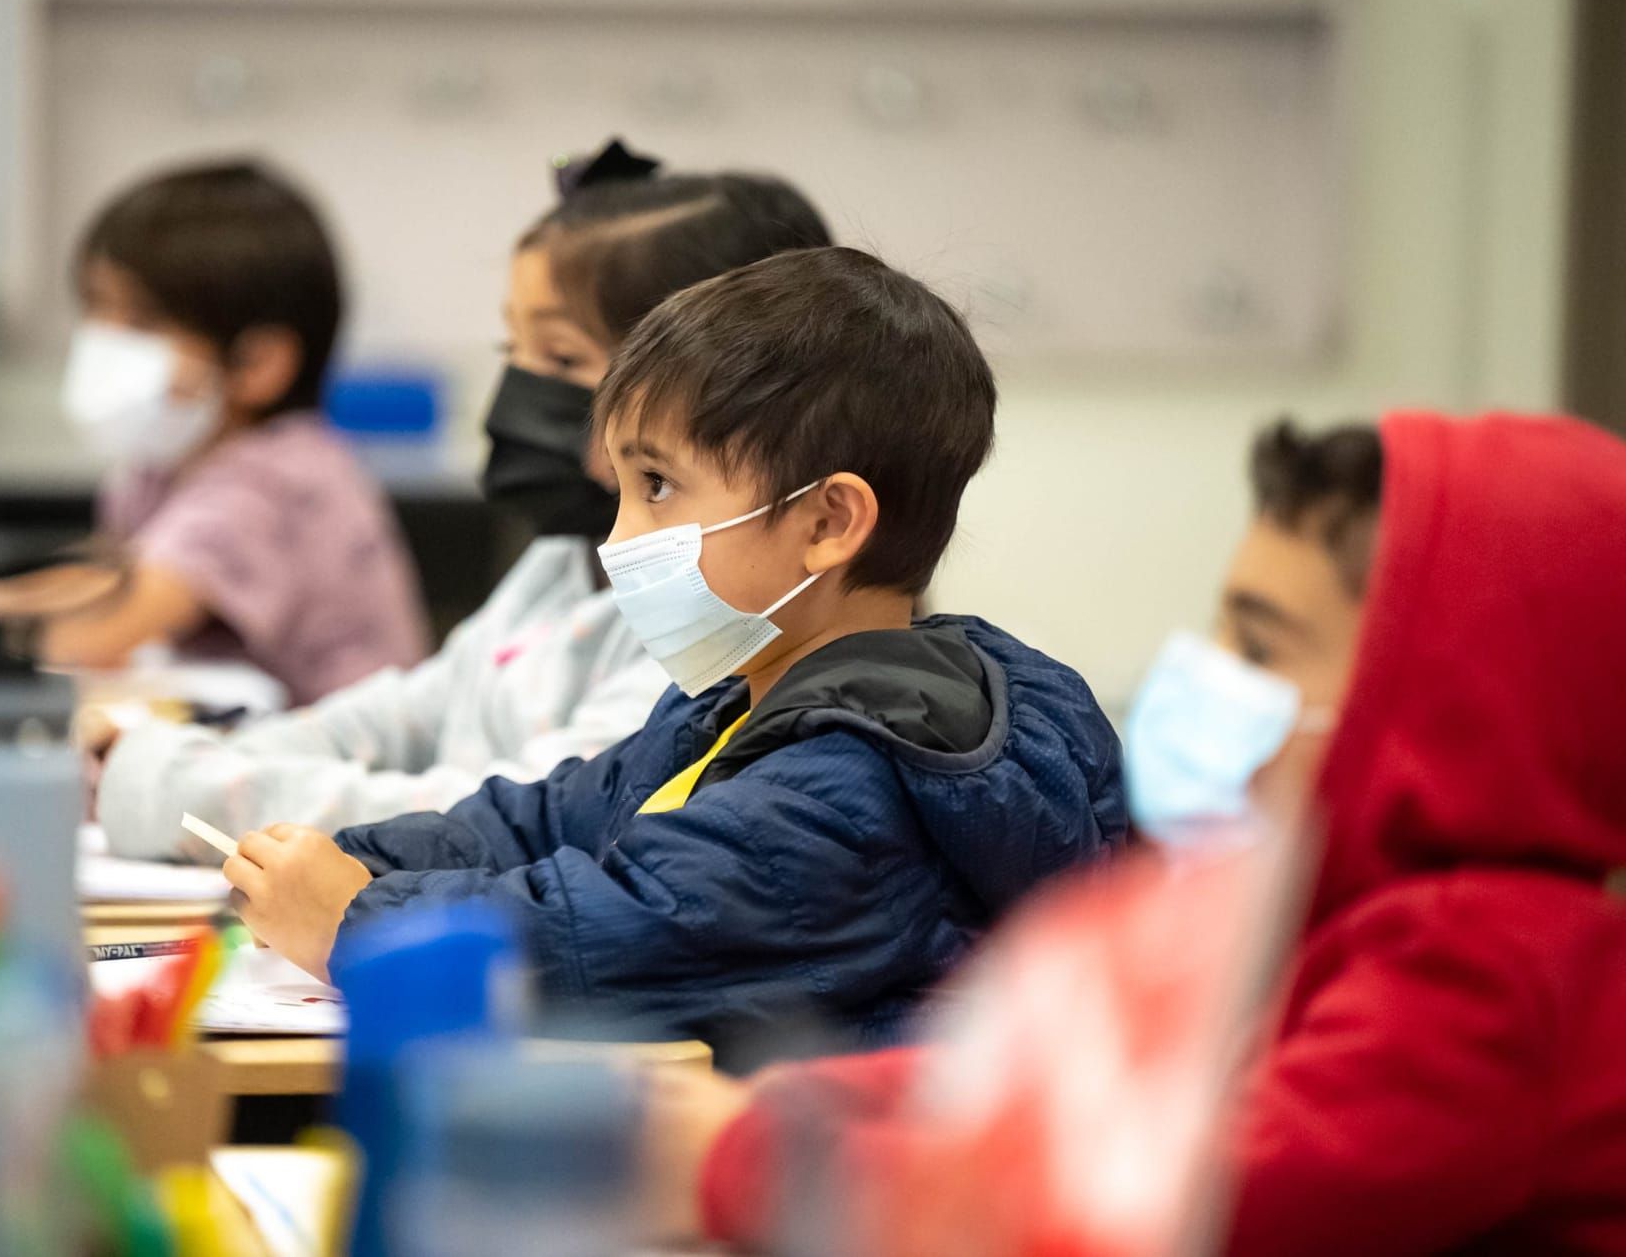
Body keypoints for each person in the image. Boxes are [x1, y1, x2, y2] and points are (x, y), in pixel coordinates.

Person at [669, 412, 1626, 1253]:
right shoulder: (1298, 911)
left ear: (1452, 706)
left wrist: (742, 1156)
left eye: (1260, 646)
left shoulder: (1488, 964)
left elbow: (1148, 1209)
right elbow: (1039, 1074)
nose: (1208, 671)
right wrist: (792, 1104)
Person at [217, 246, 1129, 1059]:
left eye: (658, 486)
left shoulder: (859, 787)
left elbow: (603, 940)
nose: (620, 539)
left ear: (828, 522)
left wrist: (354, 919)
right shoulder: (736, 702)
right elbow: (544, 821)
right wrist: (346, 858)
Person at [96, 142, 834, 859]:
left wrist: (181, 788)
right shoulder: (558, 568)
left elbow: (514, 820)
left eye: (563, 359)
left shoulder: (707, 627)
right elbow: (403, 714)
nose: (519, 389)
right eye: (511, 353)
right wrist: (185, 759)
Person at [0, 160, 429, 702]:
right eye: (95, 309)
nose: (102, 341)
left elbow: (104, 627)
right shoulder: (164, 466)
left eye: (140, 323)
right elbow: (111, 578)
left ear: (258, 365)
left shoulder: (274, 483)